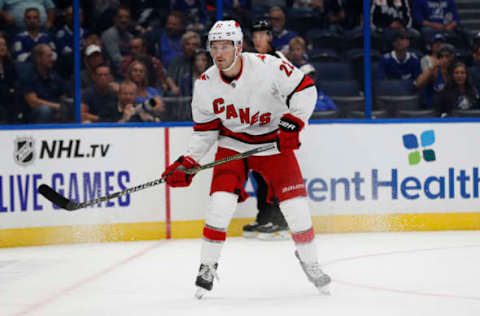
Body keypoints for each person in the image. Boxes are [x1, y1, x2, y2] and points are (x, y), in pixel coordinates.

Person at [161, 20, 331, 298]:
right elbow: (205, 132)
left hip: (272, 144)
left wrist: (294, 122)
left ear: (239, 47)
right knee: (220, 204)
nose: (219, 53)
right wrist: (188, 161)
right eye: (214, 47)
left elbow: (306, 89)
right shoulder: (205, 84)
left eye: (225, 46)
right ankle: (207, 266)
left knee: (297, 210)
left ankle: (310, 262)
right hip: (233, 145)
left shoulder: (268, 66)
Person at [242, 16, 290, 240]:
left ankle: (279, 219)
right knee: (259, 172)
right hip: (256, 125)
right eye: (255, 35)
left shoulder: (278, 58)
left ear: (270, 36)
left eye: (262, 34)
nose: (258, 38)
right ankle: (264, 216)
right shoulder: (250, 61)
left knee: (275, 174)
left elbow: (290, 89)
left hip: (275, 125)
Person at [21, 43, 67, 123]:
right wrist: (56, 106)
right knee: (45, 110)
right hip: (34, 115)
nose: (52, 59)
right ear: (38, 58)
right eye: (48, 56)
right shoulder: (28, 76)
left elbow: (63, 95)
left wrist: (64, 107)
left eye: (51, 56)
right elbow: (33, 102)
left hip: (56, 111)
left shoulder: (55, 76)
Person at [416, 43, 456, 108]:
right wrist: (433, 66)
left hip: (453, 109)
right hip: (434, 109)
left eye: (447, 56)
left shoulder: (457, 72)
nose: (444, 59)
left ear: (453, 57)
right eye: (441, 56)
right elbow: (418, 84)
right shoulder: (434, 71)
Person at [165, 31, 201, 96]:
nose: (190, 47)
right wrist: (173, 87)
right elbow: (169, 77)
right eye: (188, 44)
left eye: (194, 45)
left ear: (198, 46)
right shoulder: (176, 61)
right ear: (183, 45)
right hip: (181, 97)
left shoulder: (202, 61)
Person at [101, 6, 134, 72]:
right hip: (111, 73)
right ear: (115, 19)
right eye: (120, 17)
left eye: (127, 17)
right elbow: (116, 59)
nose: (123, 20)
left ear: (130, 20)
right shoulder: (109, 34)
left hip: (127, 72)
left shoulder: (130, 37)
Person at [0, 33, 16, 123]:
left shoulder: (10, 66)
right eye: (0, 45)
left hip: (8, 101)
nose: (2, 47)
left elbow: (14, 85)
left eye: (4, 45)